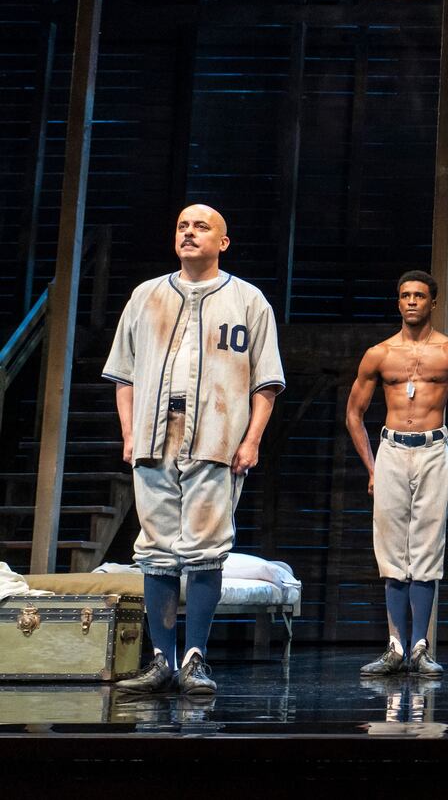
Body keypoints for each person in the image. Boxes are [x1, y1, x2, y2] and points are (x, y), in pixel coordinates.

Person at [102, 204, 285, 695]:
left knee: (206, 549)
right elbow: (123, 374)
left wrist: (251, 440)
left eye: (201, 227)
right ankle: (162, 658)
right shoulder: (146, 296)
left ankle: (196, 658)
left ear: (223, 242)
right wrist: (129, 433)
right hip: (155, 434)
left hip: (216, 437)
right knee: (157, 550)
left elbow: (266, 383)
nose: (189, 233)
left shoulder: (248, 300)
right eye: (182, 225)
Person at [345, 270, 448, 678]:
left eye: (419, 295)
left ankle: (420, 646)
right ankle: (395, 646)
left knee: (427, 548)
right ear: (398, 303)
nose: (412, 301)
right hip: (392, 449)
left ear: (433, 302)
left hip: (435, 448)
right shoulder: (379, 354)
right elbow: (354, 414)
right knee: (391, 549)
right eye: (405, 296)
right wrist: (371, 466)